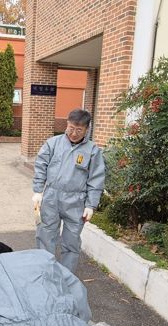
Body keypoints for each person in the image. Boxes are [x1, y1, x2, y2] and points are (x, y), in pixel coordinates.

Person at [33, 108, 106, 272]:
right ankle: (45, 273)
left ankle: (66, 277)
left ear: (87, 129)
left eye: (78, 130)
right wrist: (38, 191)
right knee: (45, 236)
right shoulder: (53, 143)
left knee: (71, 241)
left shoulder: (93, 151)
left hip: (76, 201)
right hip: (51, 197)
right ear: (67, 124)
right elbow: (40, 166)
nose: (73, 133)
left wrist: (90, 205)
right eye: (71, 128)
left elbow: (96, 179)